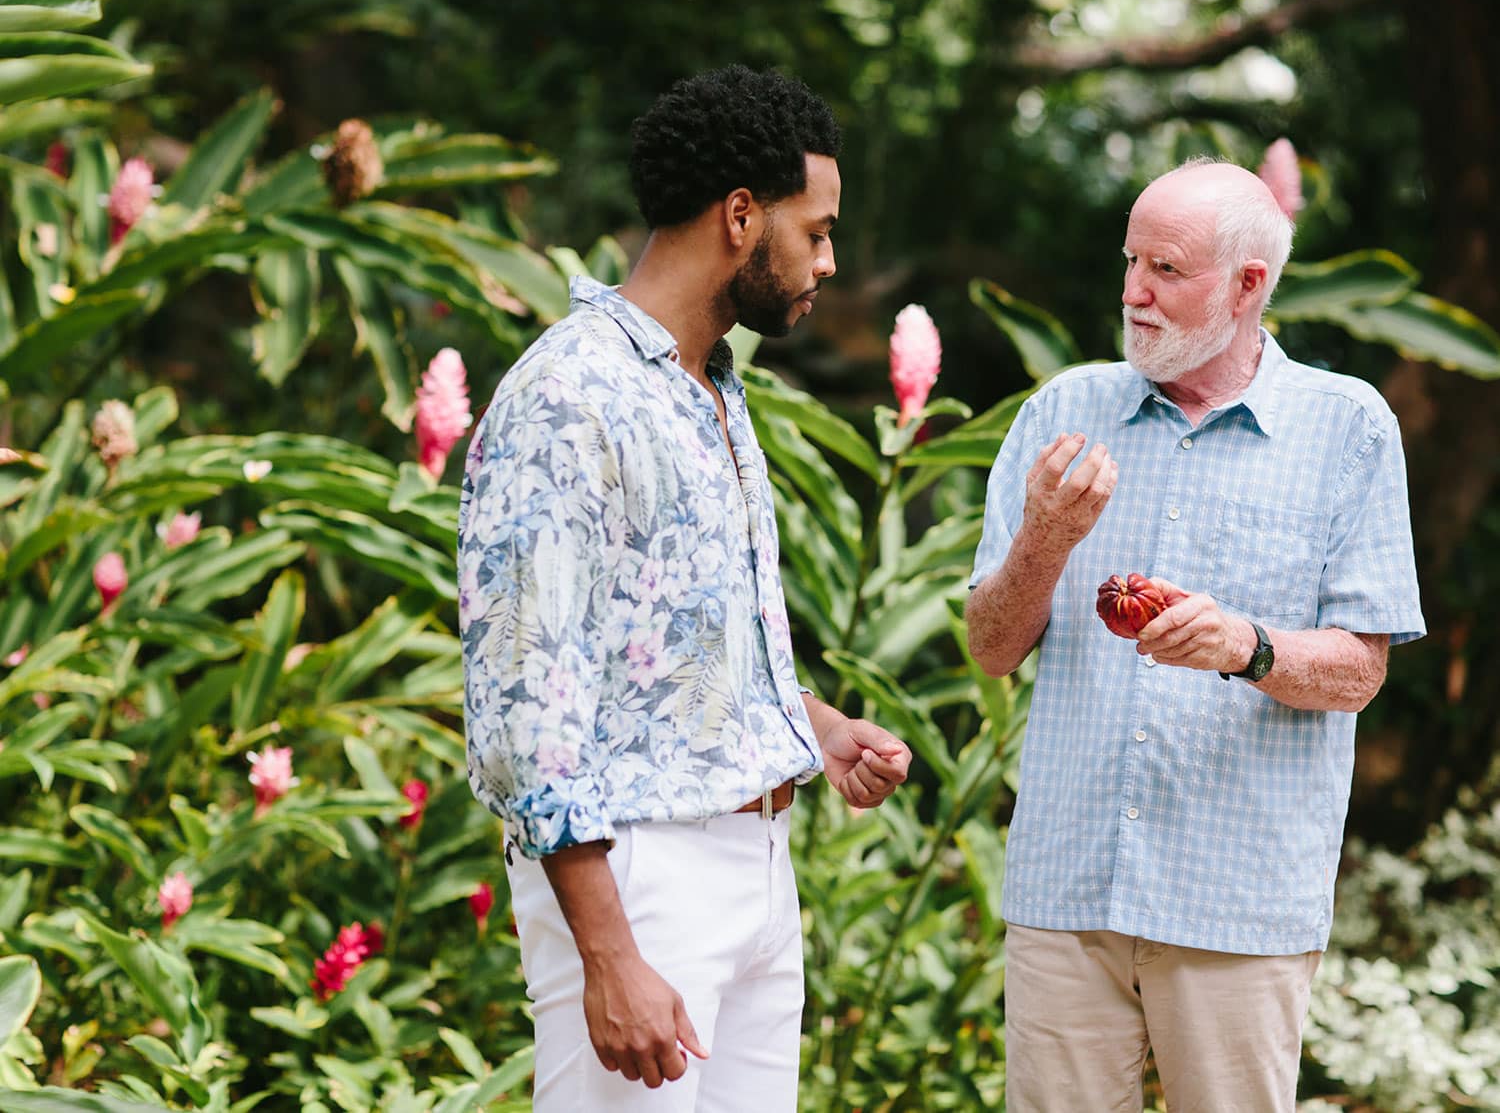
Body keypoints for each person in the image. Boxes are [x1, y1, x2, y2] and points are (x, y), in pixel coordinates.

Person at [458, 64, 912, 1112]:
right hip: (638, 879)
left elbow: (658, 646)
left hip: (756, 869)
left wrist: (809, 724)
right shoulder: (572, 395)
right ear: (742, 216)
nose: (829, 262)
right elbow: (526, 700)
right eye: (818, 230)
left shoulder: (709, 385)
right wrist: (610, 954)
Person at [965, 159, 1425, 1112]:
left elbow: (1360, 672)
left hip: (1237, 907)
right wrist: (1048, 534)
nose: (1132, 290)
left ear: (1249, 284)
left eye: (1165, 270)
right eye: (1130, 260)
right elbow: (991, 646)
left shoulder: (1350, 429)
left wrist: (1248, 647)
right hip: (1067, 891)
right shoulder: (1061, 413)